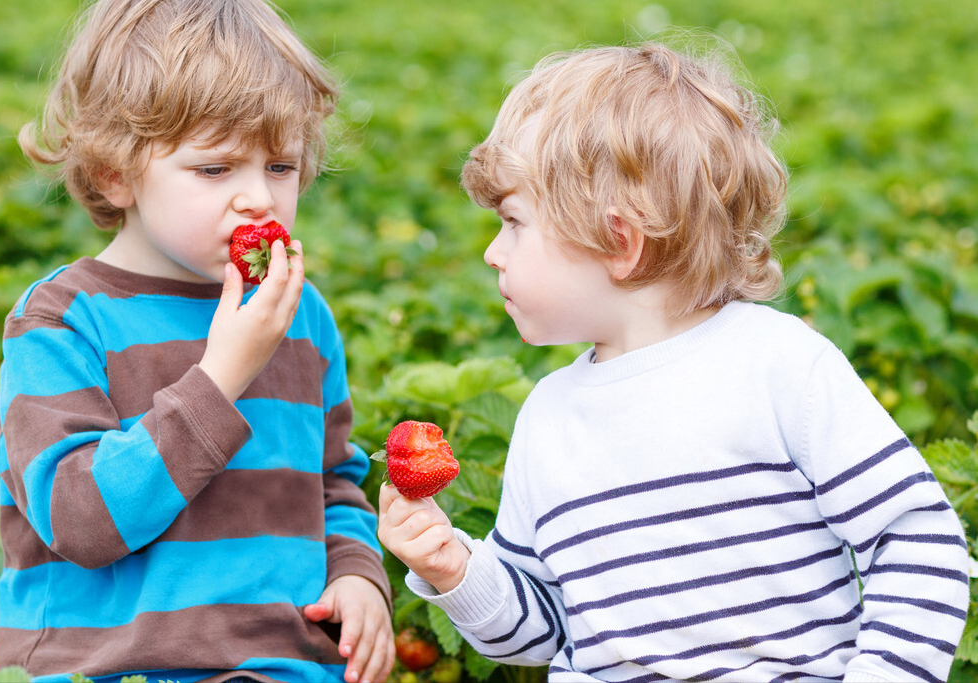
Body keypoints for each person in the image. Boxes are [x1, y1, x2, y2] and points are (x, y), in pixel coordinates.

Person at [377, 42, 971, 682]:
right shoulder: (549, 417)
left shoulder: (776, 366)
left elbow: (915, 536)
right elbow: (546, 625)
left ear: (619, 242)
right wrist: (456, 570)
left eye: (514, 222)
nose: (494, 252)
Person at [0, 1, 393, 682]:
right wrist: (219, 378)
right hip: (105, 666)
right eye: (216, 169)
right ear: (116, 172)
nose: (258, 199)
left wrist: (357, 575)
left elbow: (330, 482)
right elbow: (79, 521)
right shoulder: (61, 320)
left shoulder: (300, 312)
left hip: (282, 666)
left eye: (280, 167)